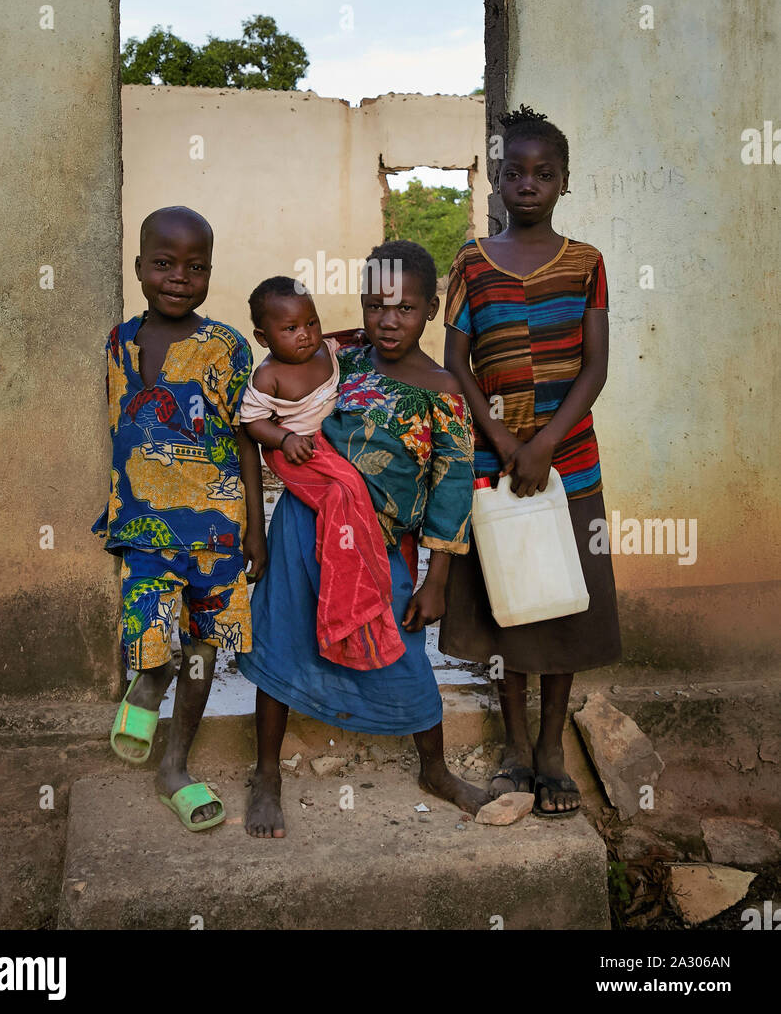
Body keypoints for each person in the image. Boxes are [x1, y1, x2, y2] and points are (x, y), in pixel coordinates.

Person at [236, 240, 491, 838]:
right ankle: (267, 774)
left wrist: (436, 580)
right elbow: (260, 414)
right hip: (304, 526)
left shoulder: (445, 392)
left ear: (430, 309)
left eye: (404, 307)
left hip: (379, 551)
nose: (387, 319)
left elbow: (453, 493)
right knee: (281, 640)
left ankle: (436, 768)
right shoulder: (342, 361)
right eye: (375, 305)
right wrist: (256, 526)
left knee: (404, 659)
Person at [440, 105, 621, 817]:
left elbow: (596, 367)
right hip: (495, 464)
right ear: (495, 180)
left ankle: (552, 748)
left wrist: (544, 444)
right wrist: (506, 440)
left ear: (564, 183)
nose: (528, 184)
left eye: (544, 173)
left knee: (562, 606)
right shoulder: (471, 265)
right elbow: (456, 360)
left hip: (569, 465)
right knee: (509, 605)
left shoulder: (587, 265)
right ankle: (515, 747)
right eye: (514, 172)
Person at [92, 205, 266, 830]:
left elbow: (248, 438)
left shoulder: (224, 347)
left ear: (210, 273)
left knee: (202, 651)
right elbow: (121, 428)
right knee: (154, 645)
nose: (178, 278)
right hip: (144, 532)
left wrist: (258, 529)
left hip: (218, 536)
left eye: (196, 267)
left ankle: (175, 767)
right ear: (139, 267)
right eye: (163, 264)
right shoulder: (118, 342)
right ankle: (144, 687)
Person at [239, 277, 404, 670]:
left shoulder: (327, 351)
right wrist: (282, 439)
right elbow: (251, 422)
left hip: (328, 444)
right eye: (290, 329)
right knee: (340, 493)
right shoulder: (268, 376)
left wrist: (362, 335)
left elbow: (347, 341)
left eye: (311, 323)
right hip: (296, 453)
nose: (305, 335)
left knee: (356, 484)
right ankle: (346, 583)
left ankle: (364, 565)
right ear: (264, 338)